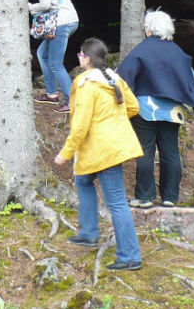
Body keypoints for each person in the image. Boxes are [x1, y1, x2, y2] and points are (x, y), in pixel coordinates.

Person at [54, 38, 144, 271]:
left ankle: (130, 256)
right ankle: (88, 232)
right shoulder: (114, 78)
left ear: (86, 57)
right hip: (111, 146)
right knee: (83, 180)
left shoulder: (86, 83)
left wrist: (65, 153)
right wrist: (114, 121)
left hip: (102, 149)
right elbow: (133, 107)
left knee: (116, 203)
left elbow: (81, 125)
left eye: (80, 55)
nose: (79, 58)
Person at [115, 9, 194, 209]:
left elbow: (122, 77)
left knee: (145, 151)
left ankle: (145, 197)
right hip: (172, 109)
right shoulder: (178, 52)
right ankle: (170, 197)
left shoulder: (141, 50)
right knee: (170, 151)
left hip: (144, 109)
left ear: (148, 29)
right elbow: (189, 77)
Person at [28, 0, 79, 113]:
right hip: (71, 19)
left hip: (61, 23)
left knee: (56, 63)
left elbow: (45, 4)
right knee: (42, 53)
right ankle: (51, 94)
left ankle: (72, 101)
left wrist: (29, 7)